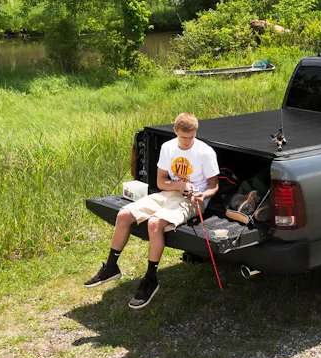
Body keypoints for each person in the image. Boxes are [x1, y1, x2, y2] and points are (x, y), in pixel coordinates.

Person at [83, 112, 220, 309]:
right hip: (169, 193)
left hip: (192, 200)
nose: (188, 141)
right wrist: (180, 185)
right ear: (175, 131)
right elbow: (161, 182)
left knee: (154, 224)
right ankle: (111, 267)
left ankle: (150, 279)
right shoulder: (168, 147)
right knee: (123, 215)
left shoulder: (205, 152)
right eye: (184, 137)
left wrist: (203, 195)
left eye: (191, 137)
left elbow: (214, 185)